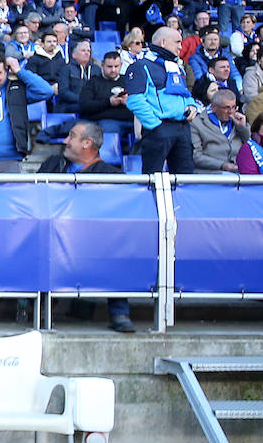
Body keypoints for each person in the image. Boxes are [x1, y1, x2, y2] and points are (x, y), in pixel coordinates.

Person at [37, 121, 135, 332]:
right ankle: (39, 311)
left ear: (87, 143)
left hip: (95, 242)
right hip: (53, 236)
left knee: (116, 249)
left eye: (71, 136)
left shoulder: (113, 177)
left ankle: (119, 313)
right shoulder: (52, 164)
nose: (65, 141)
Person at [125, 26, 197, 174]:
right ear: (163, 42)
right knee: (153, 178)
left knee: (185, 178)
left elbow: (185, 94)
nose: (180, 46)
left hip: (182, 128)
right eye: (177, 42)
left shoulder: (176, 67)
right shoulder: (140, 66)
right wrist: (155, 125)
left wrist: (192, 106)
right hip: (159, 129)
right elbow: (135, 101)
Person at [191, 88, 246, 172]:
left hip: (239, 172)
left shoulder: (238, 121)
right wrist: (222, 165)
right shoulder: (197, 124)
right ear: (214, 107)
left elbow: (250, 146)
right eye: (226, 108)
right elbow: (196, 156)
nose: (231, 112)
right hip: (212, 174)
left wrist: (242, 127)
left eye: (233, 107)